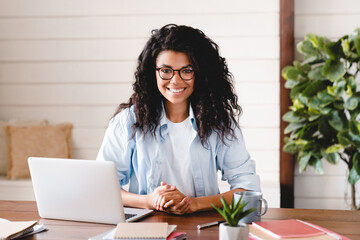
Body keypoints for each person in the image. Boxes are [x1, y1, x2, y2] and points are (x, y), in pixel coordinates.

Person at [97, 24, 260, 215]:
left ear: (201, 74)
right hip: (144, 226)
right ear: (153, 72)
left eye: (187, 70)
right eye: (166, 70)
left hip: (203, 226)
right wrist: (150, 201)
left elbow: (249, 191)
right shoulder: (128, 122)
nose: (175, 81)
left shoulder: (219, 123)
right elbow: (102, 188)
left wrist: (194, 204)